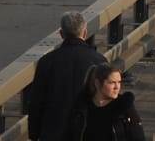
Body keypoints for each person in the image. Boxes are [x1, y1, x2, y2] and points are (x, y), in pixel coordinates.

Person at [26, 12, 107, 141]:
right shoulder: (99, 60)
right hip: (88, 131)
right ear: (85, 33)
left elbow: (36, 102)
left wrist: (34, 134)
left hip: (53, 132)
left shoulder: (46, 61)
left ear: (61, 34)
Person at [65, 65, 144, 141]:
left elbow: (138, 137)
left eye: (119, 82)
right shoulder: (81, 108)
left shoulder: (124, 107)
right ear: (97, 83)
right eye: (112, 82)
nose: (117, 87)